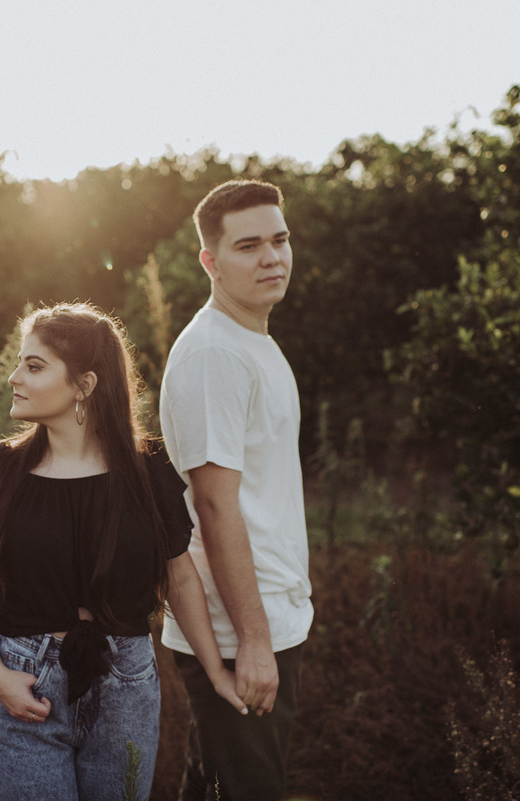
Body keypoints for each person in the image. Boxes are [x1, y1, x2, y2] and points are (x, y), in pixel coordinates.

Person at [0, 301, 246, 801]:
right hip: (25, 680)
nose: (14, 377)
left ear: (85, 385)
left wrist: (216, 670)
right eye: (19, 363)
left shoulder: (148, 471)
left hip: (125, 681)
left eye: (34, 366)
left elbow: (182, 579)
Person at [159, 180, 314, 801]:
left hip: (265, 615)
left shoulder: (252, 340)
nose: (272, 257)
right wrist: (251, 641)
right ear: (211, 261)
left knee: (212, 786)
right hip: (234, 633)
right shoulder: (214, 354)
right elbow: (214, 505)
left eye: (279, 240)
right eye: (248, 246)